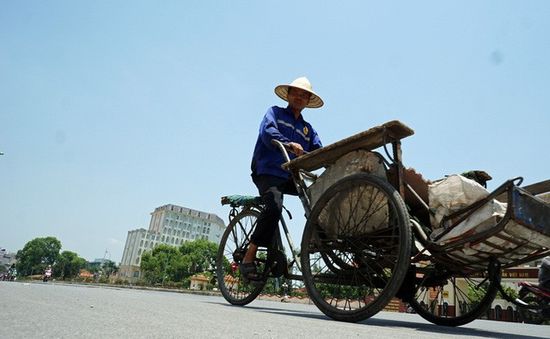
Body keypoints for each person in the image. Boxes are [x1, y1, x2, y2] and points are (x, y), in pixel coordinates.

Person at [240, 76, 324, 281]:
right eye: (296, 92)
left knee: (320, 198)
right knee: (275, 207)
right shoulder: (275, 113)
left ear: (308, 101)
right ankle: (249, 255)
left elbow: (319, 150)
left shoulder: (308, 129)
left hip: (291, 178)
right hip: (267, 172)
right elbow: (268, 132)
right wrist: (289, 144)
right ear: (288, 95)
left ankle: (316, 239)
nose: (300, 97)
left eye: (305, 95)